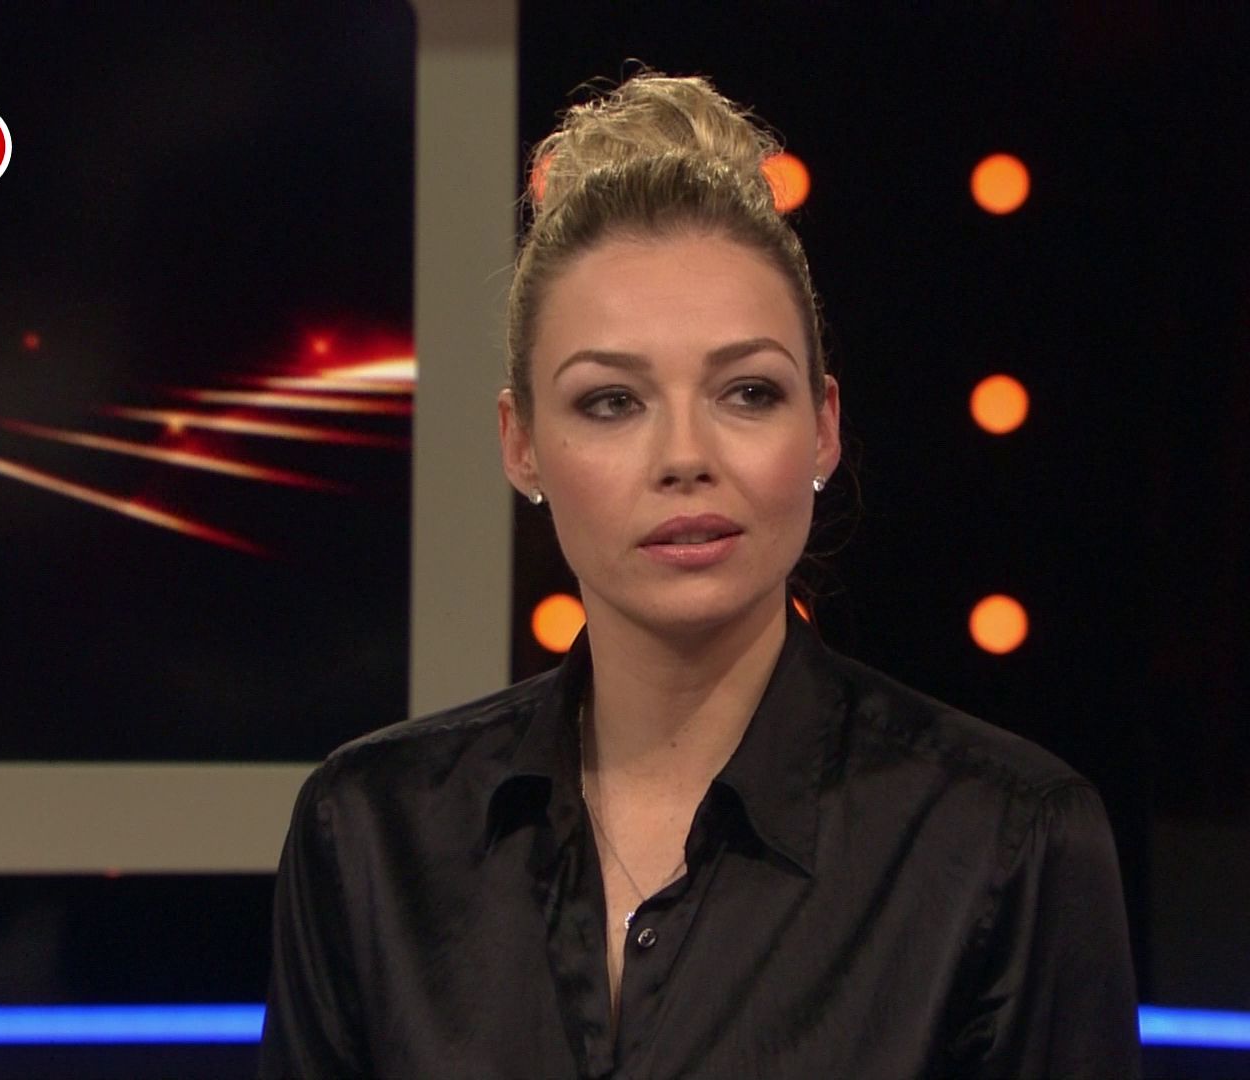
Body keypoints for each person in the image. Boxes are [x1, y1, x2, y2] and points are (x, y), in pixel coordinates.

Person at [258, 71, 1142, 1079]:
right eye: (611, 402)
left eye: (748, 392)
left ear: (823, 428)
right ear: (521, 444)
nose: (685, 456)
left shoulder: (1006, 841)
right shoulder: (370, 835)